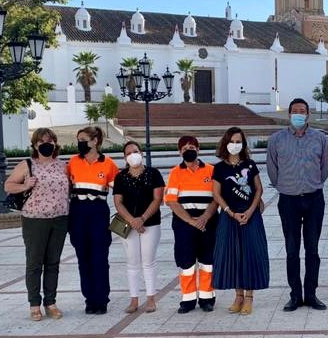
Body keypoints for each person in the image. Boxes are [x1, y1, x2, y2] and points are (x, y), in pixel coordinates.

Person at [266, 97, 328, 311]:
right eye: (294, 110)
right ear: (289, 114)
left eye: (302, 110)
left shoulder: (320, 139)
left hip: (313, 199)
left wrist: (313, 184)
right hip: (288, 200)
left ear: (308, 114)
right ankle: (295, 295)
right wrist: (285, 186)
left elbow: (324, 169)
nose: (298, 114)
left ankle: (311, 294)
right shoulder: (276, 139)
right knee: (292, 249)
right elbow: (272, 170)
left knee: (312, 249)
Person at [5, 127, 69, 321]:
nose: (46, 144)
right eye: (41, 142)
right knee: (34, 263)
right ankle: (34, 304)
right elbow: (8, 185)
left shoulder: (63, 165)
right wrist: (25, 185)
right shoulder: (28, 164)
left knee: (53, 263)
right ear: (35, 145)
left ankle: (51, 302)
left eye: (50, 141)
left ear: (55, 144)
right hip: (35, 220)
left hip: (60, 219)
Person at [211, 127, 269, 315]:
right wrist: (230, 212)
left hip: (250, 217)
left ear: (243, 144)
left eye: (238, 141)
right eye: (232, 141)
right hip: (229, 217)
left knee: (250, 254)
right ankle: (238, 296)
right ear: (225, 143)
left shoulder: (250, 165)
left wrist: (251, 211)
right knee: (233, 255)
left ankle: (249, 297)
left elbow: (258, 189)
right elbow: (216, 194)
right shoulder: (219, 168)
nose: (235, 145)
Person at [67, 126, 119, 314]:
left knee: (99, 258)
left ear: (95, 141)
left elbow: (121, 195)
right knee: (83, 258)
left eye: (83, 139)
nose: (79, 143)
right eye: (78, 139)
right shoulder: (73, 162)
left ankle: (101, 299)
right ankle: (89, 299)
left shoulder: (109, 164)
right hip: (78, 212)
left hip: (98, 212)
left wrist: (126, 223)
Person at [164, 135, 218, 313]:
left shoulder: (211, 170)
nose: (189, 151)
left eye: (192, 147)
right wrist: (190, 220)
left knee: (207, 261)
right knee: (186, 263)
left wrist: (204, 218)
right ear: (180, 152)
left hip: (207, 222)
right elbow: (172, 201)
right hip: (184, 223)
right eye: (185, 148)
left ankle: (206, 298)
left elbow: (217, 198)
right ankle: (187, 300)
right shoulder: (175, 173)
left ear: (198, 149)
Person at [112, 140, 164, 314]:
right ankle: (134, 300)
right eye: (128, 153)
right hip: (127, 225)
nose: (132, 155)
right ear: (125, 158)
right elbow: (118, 202)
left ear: (141, 153)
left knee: (148, 262)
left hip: (150, 223)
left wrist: (142, 218)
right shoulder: (120, 177)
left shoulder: (154, 173)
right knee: (132, 263)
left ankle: (151, 299)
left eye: (135, 151)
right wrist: (133, 220)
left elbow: (157, 198)